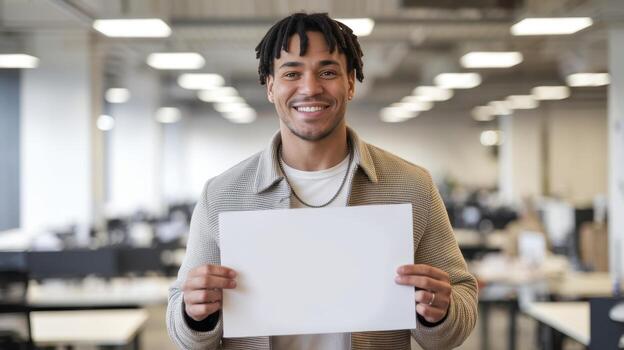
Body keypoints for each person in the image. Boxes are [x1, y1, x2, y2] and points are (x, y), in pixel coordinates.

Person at [166, 12, 477, 350]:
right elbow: (184, 331)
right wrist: (195, 313)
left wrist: (440, 312)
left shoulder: (411, 185)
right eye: (292, 73)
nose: (310, 88)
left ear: (350, 83)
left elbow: (458, 313)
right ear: (271, 86)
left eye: (327, 72)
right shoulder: (222, 194)